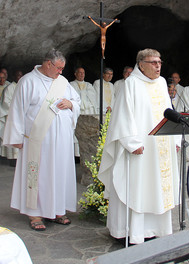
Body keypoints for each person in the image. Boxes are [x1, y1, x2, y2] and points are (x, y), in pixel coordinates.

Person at [98, 48, 180, 244]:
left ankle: (156, 229)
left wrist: (174, 139)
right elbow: (122, 117)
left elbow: (168, 112)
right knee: (138, 188)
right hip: (139, 149)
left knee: (157, 188)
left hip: (160, 148)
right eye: (153, 62)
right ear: (141, 65)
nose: (158, 66)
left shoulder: (161, 83)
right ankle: (132, 233)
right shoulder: (131, 84)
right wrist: (131, 143)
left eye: (159, 62)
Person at [2, 49, 81, 231]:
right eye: (59, 68)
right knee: (39, 176)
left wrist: (70, 104)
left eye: (63, 68)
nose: (61, 72)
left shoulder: (62, 82)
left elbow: (76, 101)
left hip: (61, 142)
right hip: (37, 141)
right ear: (48, 64)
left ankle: (57, 210)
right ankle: (35, 213)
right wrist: (16, 137)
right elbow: (17, 110)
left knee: (58, 173)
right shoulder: (28, 81)